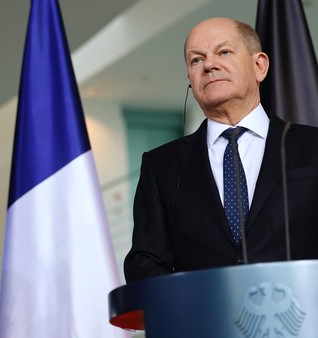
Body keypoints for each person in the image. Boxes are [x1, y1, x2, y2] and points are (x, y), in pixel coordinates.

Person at [124, 17, 318, 282]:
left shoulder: (312, 146)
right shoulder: (160, 166)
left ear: (259, 65)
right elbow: (145, 261)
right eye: (196, 60)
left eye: (224, 52)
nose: (209, 65)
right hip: (203, 320)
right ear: (190, 79)